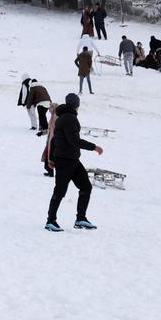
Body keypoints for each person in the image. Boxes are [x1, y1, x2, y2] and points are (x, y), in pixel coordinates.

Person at [46, 93, 103, 232]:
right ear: (76, 105)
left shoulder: (61, 118)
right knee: (60, 191)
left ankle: (81, 218)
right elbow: (74, 141)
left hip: (70, 159)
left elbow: (53, 140)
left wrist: (51, 158)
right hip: (65, 160)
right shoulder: (70, 119)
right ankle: (50, 221)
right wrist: (94, 147)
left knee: (85, 187)